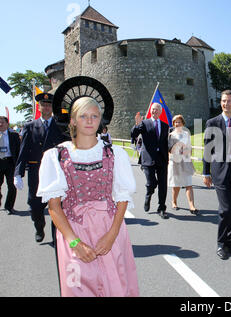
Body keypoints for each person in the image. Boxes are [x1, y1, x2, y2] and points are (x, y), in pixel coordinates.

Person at [36, 96, 139, 297]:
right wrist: (75, 243)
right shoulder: (56, 155)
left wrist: (112, 235)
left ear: (101, 119)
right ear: (73, 120)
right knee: (78, 288)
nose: (90, 120)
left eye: (94, 116)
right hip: (73, 231)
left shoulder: (115, 153)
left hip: (110, 228)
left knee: (116, 287)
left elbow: (122, 198)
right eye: (83, 116)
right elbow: (54, 207)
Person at [14, 92, 69, 242]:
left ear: (52, 107)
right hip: (36, 172)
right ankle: (39, 227)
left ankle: (56, 237)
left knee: (58, 207)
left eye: (49, 104)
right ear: (39, 107)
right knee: (35, 207)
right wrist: (17, 173)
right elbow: (23, 150)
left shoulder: (61, 126)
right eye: (43, 105)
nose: (46, 107)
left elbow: (70, 147)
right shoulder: (30, 126)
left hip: (57, 172)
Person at [203, 90, 231, 260]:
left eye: (229, 101)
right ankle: (221, 243)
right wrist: (206, 172)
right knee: (226, 209)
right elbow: (208, 148)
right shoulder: (212, 123)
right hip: (219, 172)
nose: (226, 104)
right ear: (220, 103)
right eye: (223, 101)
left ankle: (230, 243)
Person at [131, 103, 170, 219]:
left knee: (163, 184)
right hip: (148, 158)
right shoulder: (144, 123)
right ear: (151, 111)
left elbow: (164, 142)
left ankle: (162, 207)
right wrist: (136, 124)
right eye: (153, 109)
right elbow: (133, 134)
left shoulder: (165, 125)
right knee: (151, 182)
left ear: (160, 112)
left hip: (162, 158)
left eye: (157, 110)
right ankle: (149, 194)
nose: (154, 111)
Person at [168, 115, 198, 214]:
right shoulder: (171, 135)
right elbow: (169, 150)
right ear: (173, 124)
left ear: (183, 123)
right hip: (175, 161)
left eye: (179, 122)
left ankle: (192, 206)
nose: (177, 124)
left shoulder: (186, 134)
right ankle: (174, 201)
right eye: (175, 122)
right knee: (176, 185)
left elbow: (189, 147)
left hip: (185, 161)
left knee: (188, 184)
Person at [0, 116, 20, 214]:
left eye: (2, 122)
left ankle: (9, 206)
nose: (0, 124)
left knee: (12, 186)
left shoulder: (14, 135)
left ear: (7, 124)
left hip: (10, 162)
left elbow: (18, 150)